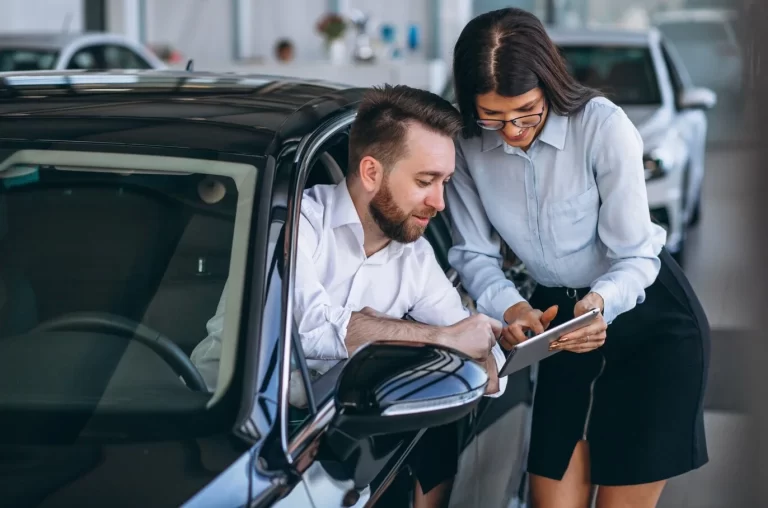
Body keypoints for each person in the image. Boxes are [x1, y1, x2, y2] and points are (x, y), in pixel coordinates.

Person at [191, 84, 507, 508]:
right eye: (425, 181)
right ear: (372, 172)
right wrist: (441, 339)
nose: (440, 202)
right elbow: (308, 328)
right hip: (219, 430)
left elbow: (484, 359)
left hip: (331, 450)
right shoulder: (295, 223)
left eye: (445, 181)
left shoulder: (414, 256)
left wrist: (485, 353)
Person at [445, 8, 710, 508]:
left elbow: (636, 254)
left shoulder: (601, 127)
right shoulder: (465, 143)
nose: (511, 130)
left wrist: (601, 302)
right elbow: (472, 252)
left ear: (547, 84)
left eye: (526, 112)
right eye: (493, 117)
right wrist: (510, 306)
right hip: (557, 327)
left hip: (648, 324)